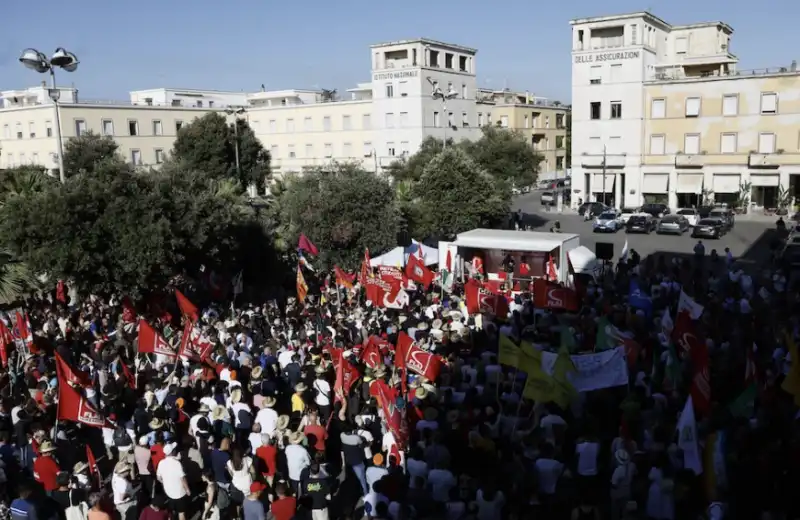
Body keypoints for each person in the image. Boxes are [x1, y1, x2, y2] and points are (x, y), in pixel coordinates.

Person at [155, 443, 190, 520]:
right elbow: (183, 479)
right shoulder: (177, 463)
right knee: (181, 513)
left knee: (172, 512)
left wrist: (165, 483)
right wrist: (187, 490)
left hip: (168, 492)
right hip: (179, 493)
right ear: (172, 452)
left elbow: (158, 478)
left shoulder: (161, 463)